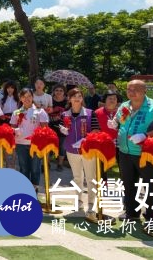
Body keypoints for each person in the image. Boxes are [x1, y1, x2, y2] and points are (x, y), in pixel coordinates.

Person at [113, 80, 153, 222]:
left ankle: (152, 215)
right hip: (124, 151)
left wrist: (146, 135)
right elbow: (121, 121)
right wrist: (115, 123)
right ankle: (131, 212)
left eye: (135, 89)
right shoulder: (125, 105)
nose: (131, 92)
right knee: (128, 184)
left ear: (144, 90)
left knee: (150, 185)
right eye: (129, 89)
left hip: (146, 153)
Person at [59, 88, 96, 217]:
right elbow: (59, 129)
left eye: (79, 96)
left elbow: (96, 131)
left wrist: (86, 139)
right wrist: (61, 129)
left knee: (91, 178)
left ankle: (91, 204)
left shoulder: (91, 113)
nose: (77, 98)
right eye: (74, 96)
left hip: (88, 150)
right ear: (69, 99)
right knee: (77, 178)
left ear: (82, 99)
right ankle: (79, 202)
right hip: (71, 150)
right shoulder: (64, 115)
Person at [11, 88, 48, 189]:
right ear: (20, 98)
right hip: (21, 143)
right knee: (24, 167)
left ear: (32, 97)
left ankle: (34, 188)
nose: (27, 99)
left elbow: (45, 129)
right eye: (24, 96)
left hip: (35, 145)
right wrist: (15, 131)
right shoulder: (16, 112)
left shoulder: (40, 111)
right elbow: (12, 128)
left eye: (29, 96)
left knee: (35, 168)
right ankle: (25, 188)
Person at [90, 89, 121, 179]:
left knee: (123, 166)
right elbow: (94, 128)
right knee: (102, 167)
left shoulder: (122, 112)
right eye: (110, 98)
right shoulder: (97, 112)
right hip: (103, 143)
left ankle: (126, 188)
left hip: (119, 143)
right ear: (105, 100)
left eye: (114, 99)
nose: (112, 100)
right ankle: (103, 186)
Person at [0, 80, 19, 166]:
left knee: (14, 143)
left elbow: (21, 110)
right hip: (4, 121)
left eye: (12, 88)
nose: (10, 89)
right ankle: (7, 163)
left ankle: (13, 164)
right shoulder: (1, 98)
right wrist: (1, 116)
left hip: (15, 121)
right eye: (8, 88)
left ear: (15, 89)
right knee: (5, 143)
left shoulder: (18, 98)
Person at [47, 106, 67, 171]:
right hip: (51, 130)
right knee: (48, 148)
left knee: (62, 148)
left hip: (62, 132)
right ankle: (47, 164)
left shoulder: (66, 104)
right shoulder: (50, 99)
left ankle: (60, 165)